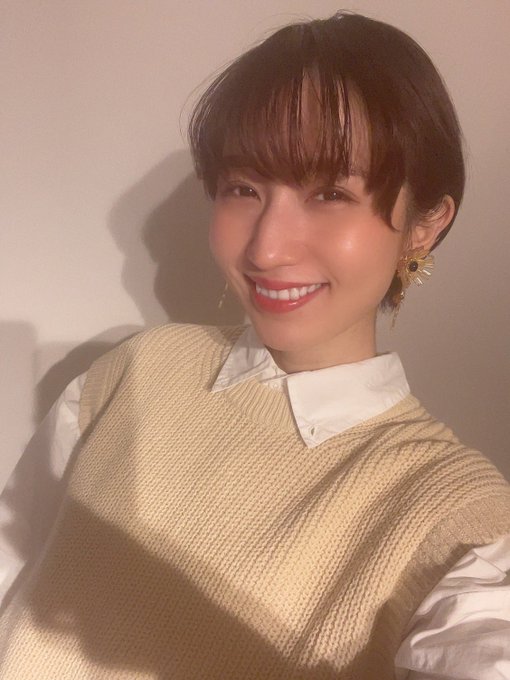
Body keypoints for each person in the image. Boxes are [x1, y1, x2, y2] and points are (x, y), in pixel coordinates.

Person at [0, 11, 509, 680]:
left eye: (330, 193)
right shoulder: (134, 370)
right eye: (243, 188)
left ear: (424, 225)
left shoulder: (454, 511)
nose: (266, 248)